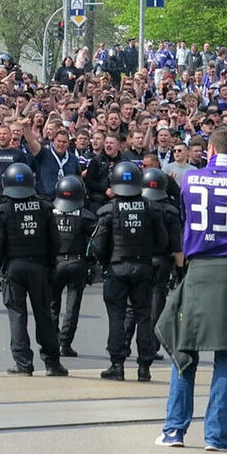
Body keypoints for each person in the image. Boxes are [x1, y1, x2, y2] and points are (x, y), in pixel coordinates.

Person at [155, 126, 227, 451]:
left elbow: (186, 214)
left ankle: (173, 431)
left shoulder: (190, 179)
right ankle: (216, 436)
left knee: (184, 350)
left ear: (208, 150)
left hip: (199, 270)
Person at [0, 162, 67, 377]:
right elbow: (55, 243)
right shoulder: (44, 208)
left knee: (17, 315)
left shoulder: (2, 212)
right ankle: (52, 363)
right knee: (44, 316)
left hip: (14, 268)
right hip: (39, 267)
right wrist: (51, 266)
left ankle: (23, 364)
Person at [91, 161, 168, 382]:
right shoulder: (151, 208)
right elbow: (162, 241)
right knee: (144, 316)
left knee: (117, 316)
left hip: (117, 268)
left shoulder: (108, 211)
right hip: (143, 267)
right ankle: (144, 367)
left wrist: (108, 263)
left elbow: (97, 247)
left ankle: (117, 364)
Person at [49, 175, 97, 357]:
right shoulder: (86, 216)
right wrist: (92, 263)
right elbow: (96, 242)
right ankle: (65, 344)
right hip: (77, 262)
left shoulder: (50, 213)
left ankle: (53, 340)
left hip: (55, 263)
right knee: (72, 305)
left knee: (52, 304)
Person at [140, 167, 184, 359]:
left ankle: (123, 347)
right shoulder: (170, 211)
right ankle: (151, 347)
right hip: (162, 262)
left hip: (139, 261)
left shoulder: (136, 207)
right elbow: (177, 247)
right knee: (157, 306)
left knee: (133, 308)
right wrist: (182, 270)